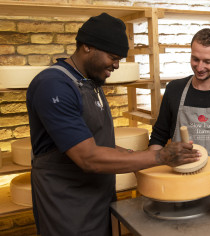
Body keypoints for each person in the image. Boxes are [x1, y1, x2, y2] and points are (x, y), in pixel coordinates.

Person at [26, 13, 200, 236]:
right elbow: (88, 157)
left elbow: (99, 142)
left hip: (98, 199)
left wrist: (135, 157)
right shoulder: (53, 85)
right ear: (87, 47)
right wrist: (160, 157)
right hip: (66, 206)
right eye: (113, 57)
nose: (116, 65)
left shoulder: (89, 83)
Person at [148, 28, 210, 182]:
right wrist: (154, 170)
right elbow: (158, 137)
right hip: (178, 179)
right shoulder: (174, 90)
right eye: (195, 59)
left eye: (207, 61)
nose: (200, 67)